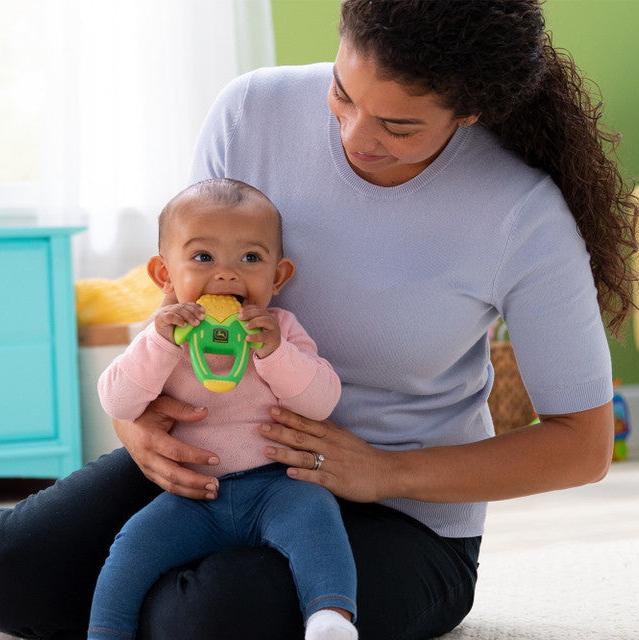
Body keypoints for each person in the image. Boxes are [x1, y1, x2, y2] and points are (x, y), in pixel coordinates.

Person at [1, 1, 637, 638]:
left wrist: (384, 471)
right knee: (16, 574)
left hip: (403, 513)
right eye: (342, 93)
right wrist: (132, 420)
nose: (356, 137)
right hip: (219, 463)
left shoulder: (520, 210)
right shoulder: (251, 112)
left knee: (200, 617)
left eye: (399, 125)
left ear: (468, 112)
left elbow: (582, 444)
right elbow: (181, 296)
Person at [87, 178, 357, 640]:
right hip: (194, 496)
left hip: (277, 486)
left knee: (318, 515)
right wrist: (160, 343)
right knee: (133, 543)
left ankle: (329, 617)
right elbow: (118, 400)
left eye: (250, 258)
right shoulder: (162, 332)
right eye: (202, 257)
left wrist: (274, 353)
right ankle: (107, 632)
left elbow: (321, 401)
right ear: (164, 275)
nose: (227, 274)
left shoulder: (282, 329)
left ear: (278, 276)